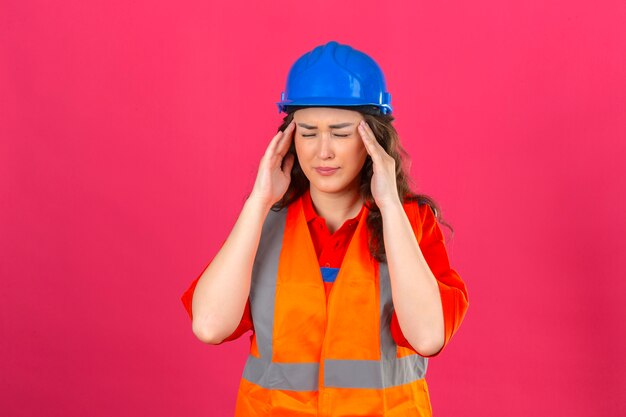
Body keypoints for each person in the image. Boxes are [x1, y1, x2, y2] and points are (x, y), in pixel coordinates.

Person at [181, 40, 469, 416]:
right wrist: (258, 201)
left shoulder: (410, 223)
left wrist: (389, 205)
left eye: (341, 132)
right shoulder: (264, 223)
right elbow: (208, 326)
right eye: (308, 132)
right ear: (288, 138)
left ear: (372, 140)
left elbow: (428, 336)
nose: (324, 151)